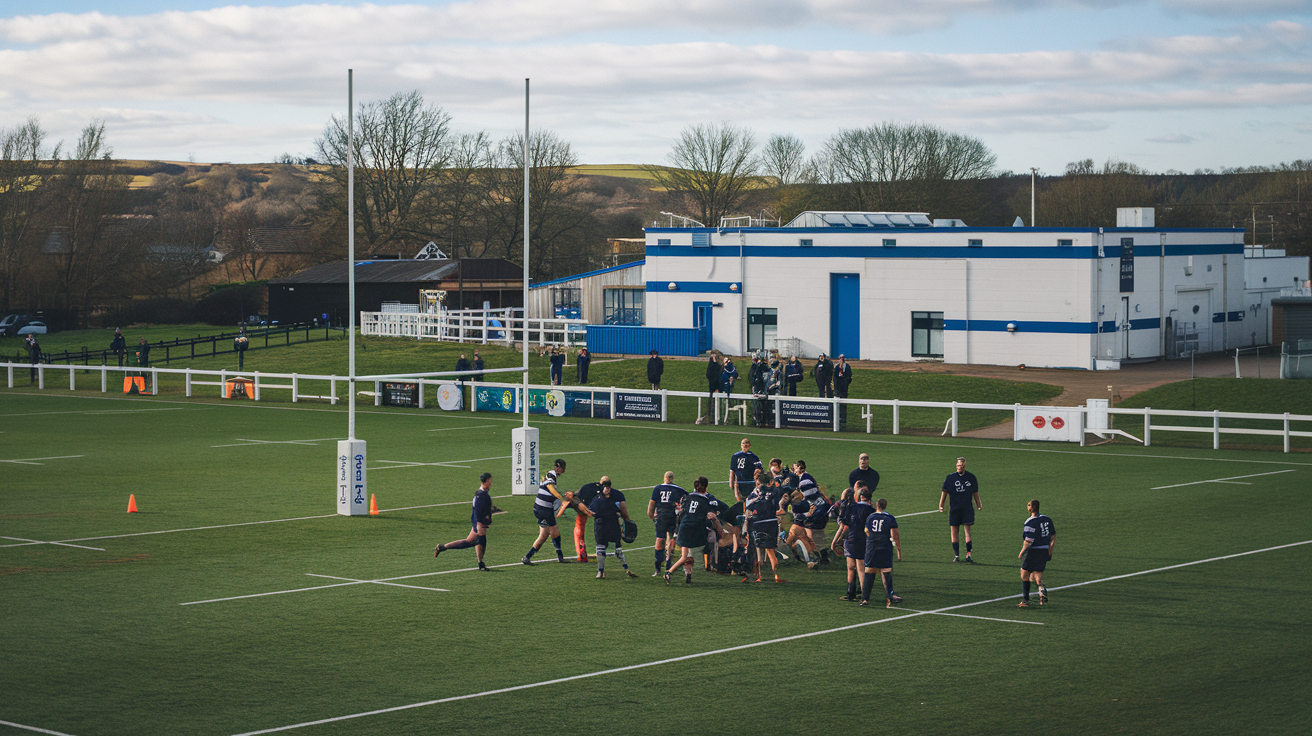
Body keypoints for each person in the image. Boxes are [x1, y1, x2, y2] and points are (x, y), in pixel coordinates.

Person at [433, 472, 496, 571]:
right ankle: (481, 564)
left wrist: (490, 510)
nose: (491, 484)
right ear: (485, 482)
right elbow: (479, 511)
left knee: (469, 541)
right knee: (479, 542)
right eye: (490, 482)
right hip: (479, 522)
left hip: (478, 521)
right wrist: (480, 524)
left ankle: (443, 547)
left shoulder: (480, 494)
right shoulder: (482, 495)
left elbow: (480, 509)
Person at [666, 476, 718, 585]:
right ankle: (710, 564)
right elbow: (708, 516)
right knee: (707, 544)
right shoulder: (705, 500)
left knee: (685, 555)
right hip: (696, 529)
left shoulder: (687, 497)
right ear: (706, 486)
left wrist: (676, 530)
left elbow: (681, 513)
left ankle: (673, 573)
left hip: (684, 527)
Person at [522, 459, 572, 564]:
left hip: (538, 507)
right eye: (560, 468)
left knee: (543, 535)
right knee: (556, 532)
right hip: (544, 509)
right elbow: (550, 487)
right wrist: (561, 499)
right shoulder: (551, 474)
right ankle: (561, 558)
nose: (560, 470)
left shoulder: (550, 475)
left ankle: (527, 557)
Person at [834, 483, 876, 601]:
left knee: (850, 567)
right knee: (861, 568)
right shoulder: (871, 511)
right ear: (870, 499)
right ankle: (864, 595)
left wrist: (836, 541)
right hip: (863, 540)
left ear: (858, 497)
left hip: (850, 540)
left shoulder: (851, 507)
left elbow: (844, 526)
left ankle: (850, 593)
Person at [589, 478, 638, 579]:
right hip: (600, 525)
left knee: (618, 549)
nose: (607, 489)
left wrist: (626, 521)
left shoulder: (615, 496)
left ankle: (626, 569)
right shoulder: (597, 498)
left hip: (613, 524)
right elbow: (591, 512)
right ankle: (600, 571)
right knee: (600, 548)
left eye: (608, 487)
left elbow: (622, 509)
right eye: (606, 487)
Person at [938, 456, 982, 563]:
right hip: (954, 509)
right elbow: (944, 492)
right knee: (954, 531)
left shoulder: (971, 477)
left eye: (961, 465)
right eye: (958, 465)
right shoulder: (950, 478)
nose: (959, 467)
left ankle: (968, 555)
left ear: (964, 465)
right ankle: (956, 555)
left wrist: (979, 504)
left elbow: (975, 493)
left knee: (967, 531)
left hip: (967, 508)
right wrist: (941, 504)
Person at [744, 475, 786, 583]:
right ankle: (776, 575)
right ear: (770, 482)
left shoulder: (753, 495)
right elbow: (777, 507)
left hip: (759, 524)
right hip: (772, 522)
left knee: (760, 552)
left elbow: (749, 510)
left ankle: (761, 576)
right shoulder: (775, 492)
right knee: (771, 551)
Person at [861, 498, 902, 608]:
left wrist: (872, 538)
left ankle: (865, 598)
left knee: (869, 570)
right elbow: (894, 535)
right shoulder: (890, 518)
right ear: (885, 506)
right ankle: (890, 595)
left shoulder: (870, 517)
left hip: (872, 546)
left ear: (877, 505)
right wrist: (898, 550)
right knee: (886, 570)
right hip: (884, 546)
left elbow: (866, 530)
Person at [1017, 499, 1056, 608]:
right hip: (1044, 550)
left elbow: (1028, 540)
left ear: (1031, 507)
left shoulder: (1030, 522)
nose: (1027, 506)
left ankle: (1025, 601)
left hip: (1034, 551)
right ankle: (1042, 590)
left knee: (1024, 574)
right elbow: (1053, 536)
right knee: (1036, 577)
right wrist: (1050, 550)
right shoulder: (1047, 519)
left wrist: (1022, 552)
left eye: (1028, 505)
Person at [647, 471, 686, 576]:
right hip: (672, 517)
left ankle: (657, 568)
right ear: (672, 478)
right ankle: (668, 567)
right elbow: (687, 500)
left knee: (659, 540)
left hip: (661, 517)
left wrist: (651, 515)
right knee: (671, 541)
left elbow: (652, 503)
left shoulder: (658, 488)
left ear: (664, 477)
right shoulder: (678, 489)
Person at [567, 478, 603, 563]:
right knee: (581, 526)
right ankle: (582, 553)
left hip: (580, 504)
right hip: (586, 505)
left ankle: (581, 554)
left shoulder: (589, 487)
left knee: (579, 527)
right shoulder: (601, 491)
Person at [729, 438, 763, 502]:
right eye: (743, 444)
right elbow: (732, 470)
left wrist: (757, 477)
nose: (745, 445)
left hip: (750, 481)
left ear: (750, 446)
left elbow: (760, 469)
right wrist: (731, 482)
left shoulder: (754, 457)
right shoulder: (735, 456)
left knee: (750, 499)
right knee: (739, 499)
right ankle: (743, 509)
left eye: (746, 444)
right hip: (739, 481)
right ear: (741, 445)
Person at [833, 354, 852, 426]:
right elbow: (835, 377)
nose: (841, 360)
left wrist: (845, 382)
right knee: (837, 405)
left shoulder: (847, 367)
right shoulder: (837, 367)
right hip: (837, 389)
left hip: (844, 388)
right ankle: (837, 420)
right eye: (840, 358)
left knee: (843, 405)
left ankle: (843, 421)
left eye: (842, 358)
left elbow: (849, 377)